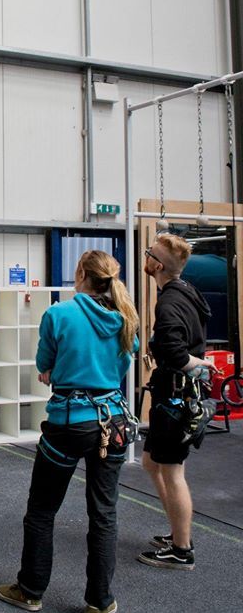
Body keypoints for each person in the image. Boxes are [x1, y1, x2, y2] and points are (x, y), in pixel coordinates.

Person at [0, 251, 139, 613]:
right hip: (113, 424)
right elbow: (126, 359)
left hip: (69, 425)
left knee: (43, 509)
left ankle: (30, 591)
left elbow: (45, 362)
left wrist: (54, 370)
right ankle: (99, 603)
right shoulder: (124, 317)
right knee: (103, 514)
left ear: (81, 274)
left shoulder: (59, 314)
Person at [137, 232, 214, 570]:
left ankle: (182, 549)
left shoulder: (168, 302)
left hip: (175, 399)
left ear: (156, 265)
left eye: (148, 253)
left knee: (172, 471)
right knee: (151, 463)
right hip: (175, 396)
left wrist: (193, 364)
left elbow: (175, 349)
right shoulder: (187, 292)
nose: (146, 257)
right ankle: (177, 531)